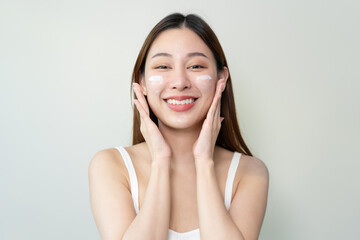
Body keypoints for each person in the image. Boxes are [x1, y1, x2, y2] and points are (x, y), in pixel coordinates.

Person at [89, 13, 269, 240]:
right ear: (142, 82)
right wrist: (160, 161)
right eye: (163, 66)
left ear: (221, 79)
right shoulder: (111, 166)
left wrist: (204, 163)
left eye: (195, 66)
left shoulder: (249, 173)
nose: (180, 82)